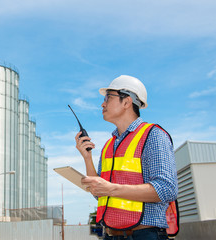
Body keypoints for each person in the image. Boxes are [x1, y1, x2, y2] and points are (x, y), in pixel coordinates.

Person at [75, 75, 178, 240]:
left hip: (144, 235)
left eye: (108, 98)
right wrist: (87, 158)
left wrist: (111, 189)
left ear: (126, 102)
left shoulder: (153, 135)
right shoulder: (109, 145)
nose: (103, 103)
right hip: (111, 235)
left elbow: (166, 189)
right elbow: (100, 194)